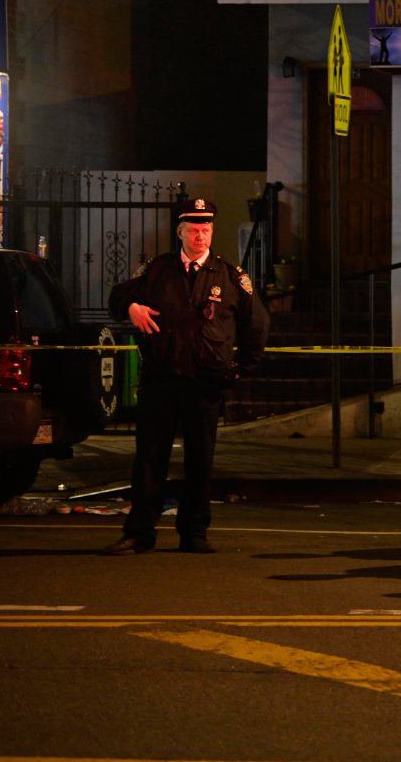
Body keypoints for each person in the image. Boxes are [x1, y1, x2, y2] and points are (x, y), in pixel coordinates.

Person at [102, 198, 270, 555]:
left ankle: (194, 533)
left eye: (206, 229)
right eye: (193, 230)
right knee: (149, 459)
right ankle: (140, 533)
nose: (200, 236)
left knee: (200, 460)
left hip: (205, 384)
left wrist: (240, 369)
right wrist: (130, 308)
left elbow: (258, 324)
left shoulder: (229, 275)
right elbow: (117, 297)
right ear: (180, 232)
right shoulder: (158, 270)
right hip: (161, 381)